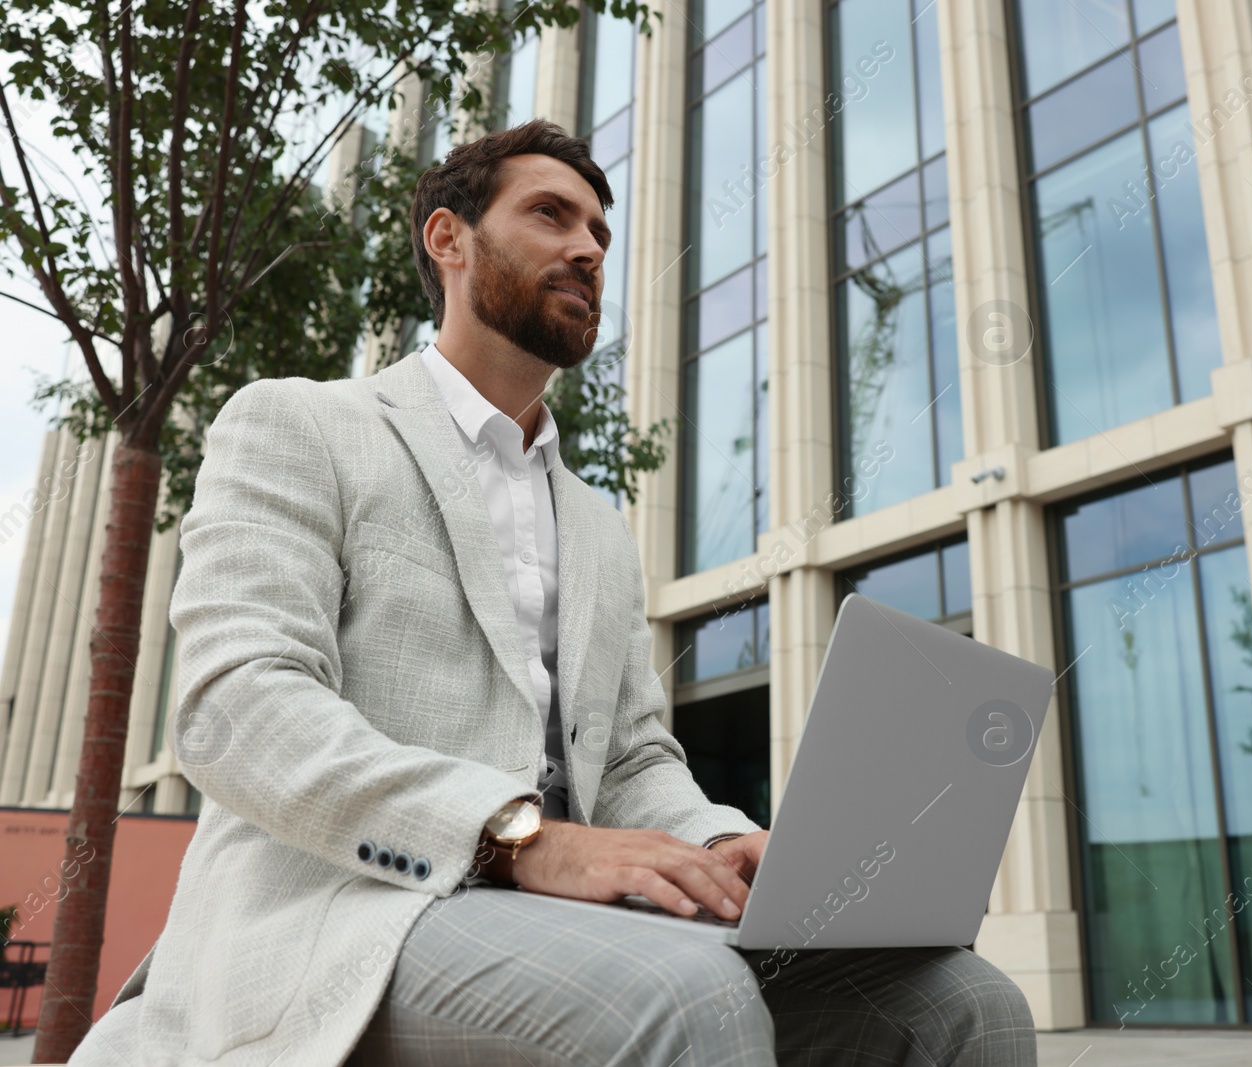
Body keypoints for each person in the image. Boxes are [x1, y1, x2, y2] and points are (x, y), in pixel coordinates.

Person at [69, 120, 1036, 1066]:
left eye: (601, 235)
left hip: (556, 915)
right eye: (551, 215)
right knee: (681, 997)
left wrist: (735, 846)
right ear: (447, 240)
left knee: (961, 1003)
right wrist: (519, 837)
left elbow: (629, 761)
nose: (586, 248)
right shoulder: (300, 424)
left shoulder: (599, 527)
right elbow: (237, 707)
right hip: (344, 915)